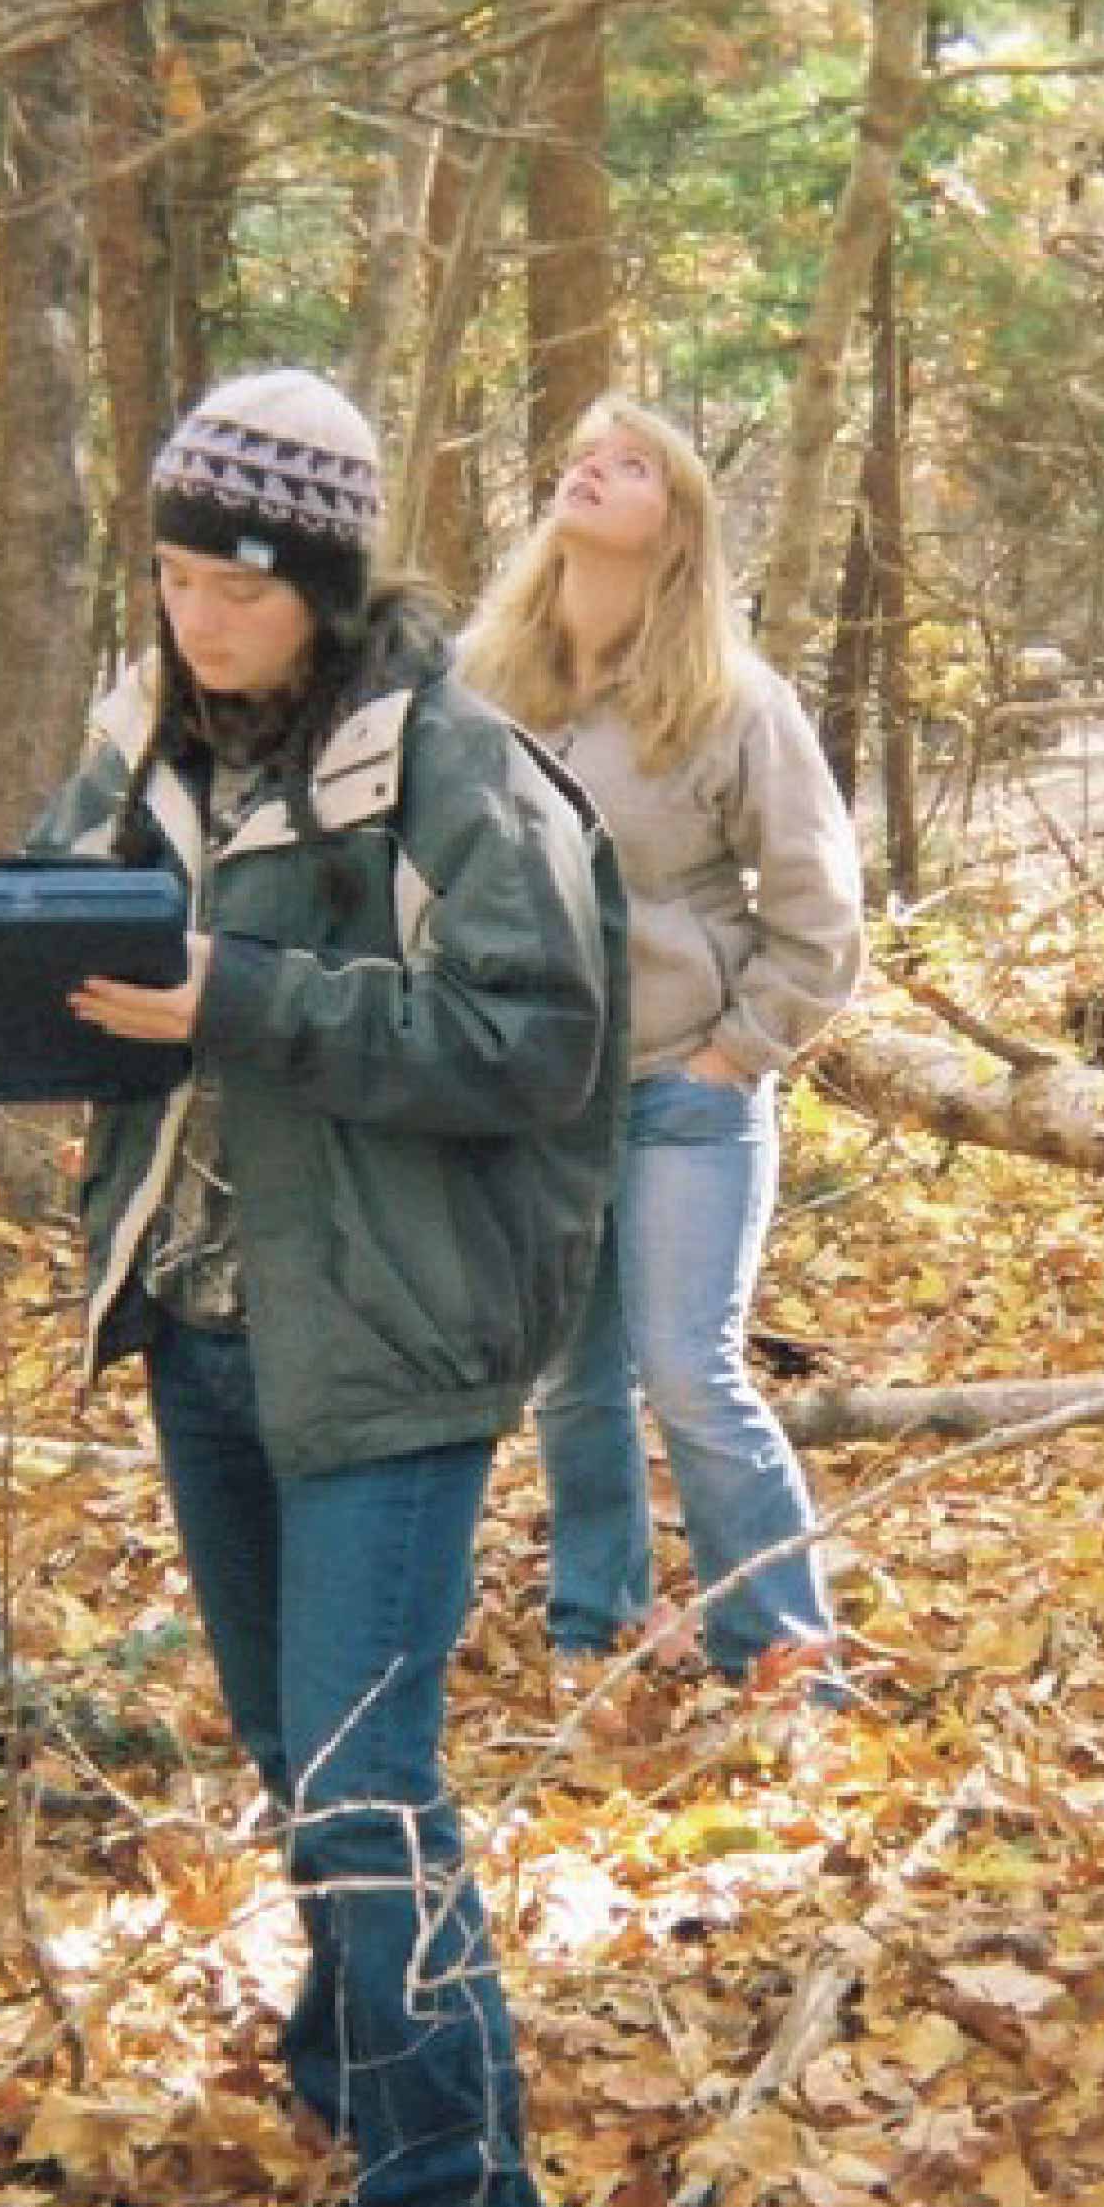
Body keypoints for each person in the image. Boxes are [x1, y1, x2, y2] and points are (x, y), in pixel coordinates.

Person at [37, 367, 623, 2207]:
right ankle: (353, 2063)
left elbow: (535, 1045)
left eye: (241, 586)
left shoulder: (449, 764)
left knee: (370, 1788)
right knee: (300, 1756)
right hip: (203, 1322)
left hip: (390, 1331)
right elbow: (47, 928)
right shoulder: (141, 735)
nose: (200, 618)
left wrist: (242, 996)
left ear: (325, 584)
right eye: (176, 577)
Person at [456, 398, 867, 1694]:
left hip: (686, 1091)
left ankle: (782, 1647)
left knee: (689, 1374)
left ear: (677, 527)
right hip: (541, 1095)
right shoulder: (481, 684)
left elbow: (820, 916)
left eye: (631, 464)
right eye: (584, 454)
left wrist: (734, 1054)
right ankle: (599, 1624)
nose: (591, 469)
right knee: (572, 1383)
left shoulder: (733, 700)